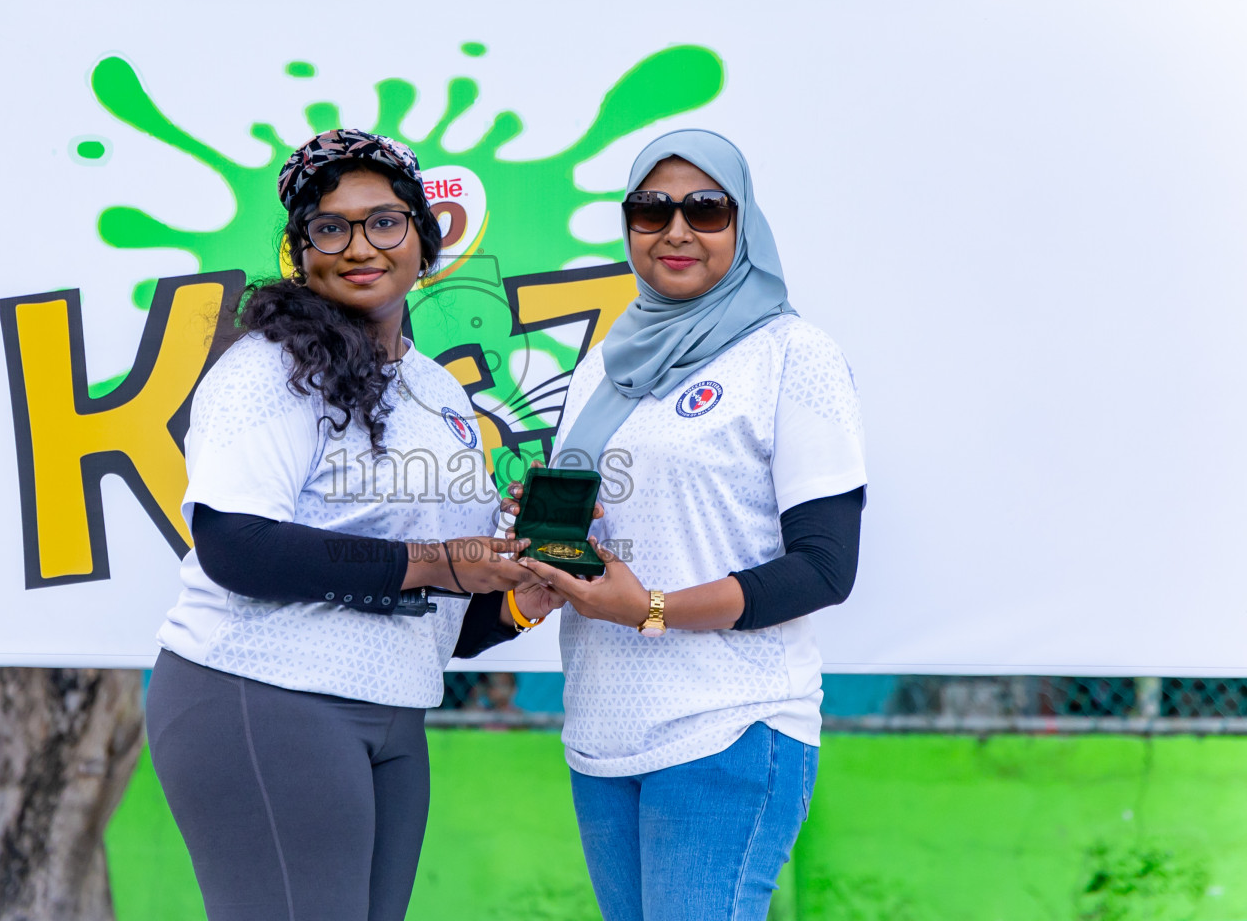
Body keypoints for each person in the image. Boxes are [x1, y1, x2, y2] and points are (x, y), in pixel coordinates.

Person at [145, 128, 564, 921]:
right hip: (265, 690)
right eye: (330, 227)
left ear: (422, 237)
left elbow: (433, 612)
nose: (359, 246)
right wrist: (440, 559)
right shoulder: (266, 368)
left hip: (394, 708)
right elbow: (238, 548)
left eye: (384, 221)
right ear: (300, 251)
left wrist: (516, 599)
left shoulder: (436, 391)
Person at [513, 129, 867, 921]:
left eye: (705, 209)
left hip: (728, 725)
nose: (676, 230)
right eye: (651, 209)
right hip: (604, 728)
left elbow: (823, 568)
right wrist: (549, 558)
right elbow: (608, 529)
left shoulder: (790, 355)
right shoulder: (607, 363)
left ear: (743, 226)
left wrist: (652, 610)